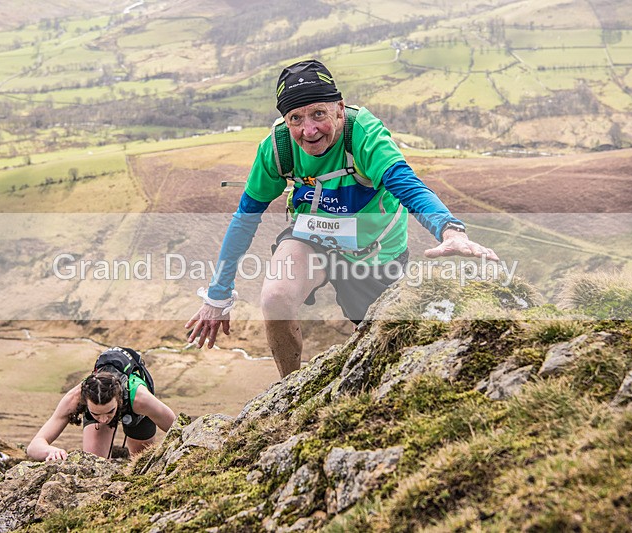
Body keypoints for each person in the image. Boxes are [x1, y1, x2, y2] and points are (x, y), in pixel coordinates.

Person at [186, 59, 498, 378]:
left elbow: (407, 184)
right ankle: (287, 387)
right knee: (275, 298)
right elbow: (245, 218)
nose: (309, 130)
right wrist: (219, 294)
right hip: (312, 238)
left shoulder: (363, 134)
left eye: (318, 113)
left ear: (339, 107)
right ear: (285, 120)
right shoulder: (278, 147)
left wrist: (449, 229)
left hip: (374, 252)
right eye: (296, 118)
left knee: (377, 344)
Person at [27, 347, 176, 461]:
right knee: (94, 463)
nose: (104, 419)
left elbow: (180, 430)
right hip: (108, 401)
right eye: (96, 413)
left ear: (118, 400)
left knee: (141, 462)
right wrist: (50, 451)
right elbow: (34, 446)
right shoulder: (74, 398)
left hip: (134, 410)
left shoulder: (140, 399)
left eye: (109, 412)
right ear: (85, 403)